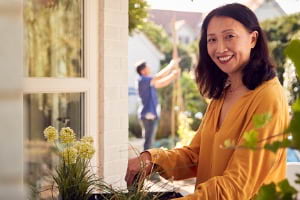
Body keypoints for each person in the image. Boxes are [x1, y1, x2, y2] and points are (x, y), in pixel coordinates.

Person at [126, 3, 290, 200]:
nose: (220, 48)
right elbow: (195, 156)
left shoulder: (268, 98)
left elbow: (237, 187)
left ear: (253, 39)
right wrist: (151, 160)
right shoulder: (222, 94)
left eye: (229, 36)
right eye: (212, 39)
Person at [135, 59, 180, 150]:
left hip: (152, 115)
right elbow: (159, 77)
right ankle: (145, 162)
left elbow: (161, 83)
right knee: (148, 142)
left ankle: (147, 161)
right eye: (147, 67)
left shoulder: (149, 82)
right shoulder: (142, 80)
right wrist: (171, 65)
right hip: (148, 116)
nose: (149, 68)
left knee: (150, 141)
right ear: (143, 71)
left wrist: (173, 76)